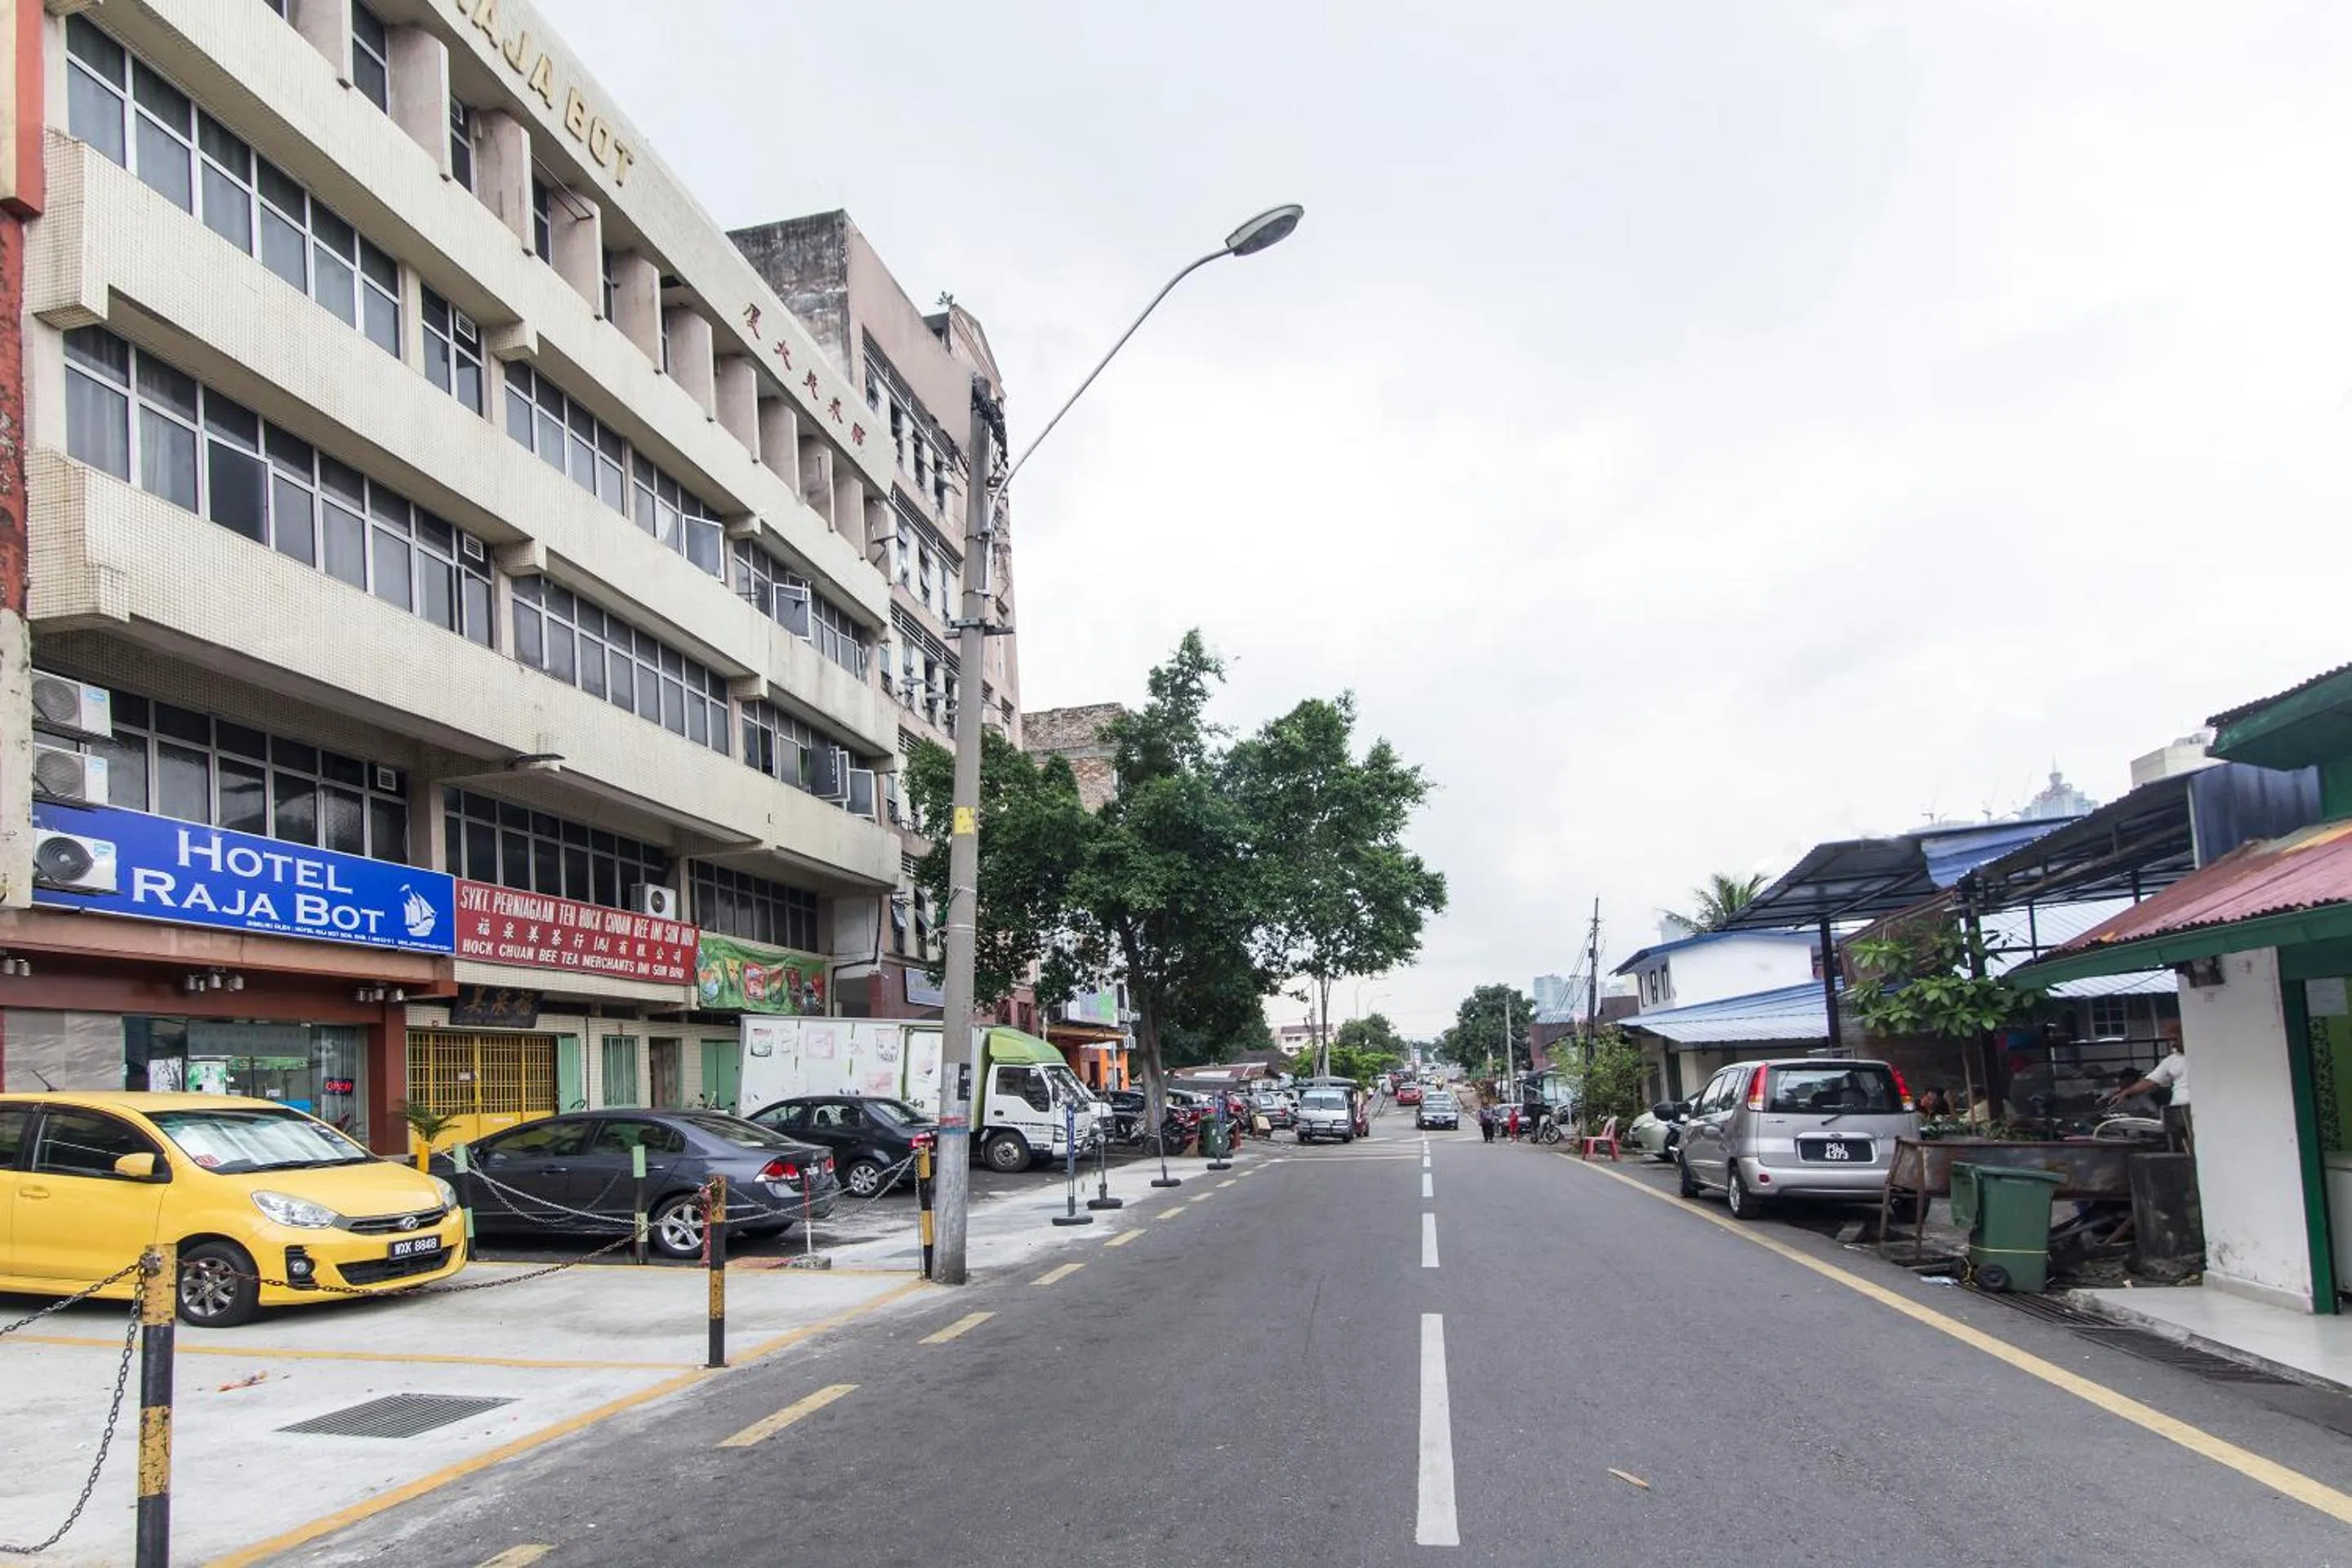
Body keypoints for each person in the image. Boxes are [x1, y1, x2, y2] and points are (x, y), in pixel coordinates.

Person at [2109, 1022, 2190, 1154]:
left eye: (2175, 1039)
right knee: (2181, 1145)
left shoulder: (2203, 1056)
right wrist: (2126, 1092)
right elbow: (2150, 1081)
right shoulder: (2171, 1060)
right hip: (2178, 1110)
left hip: (2199, 1109)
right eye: (2171, 1040)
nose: (2173, 1044)